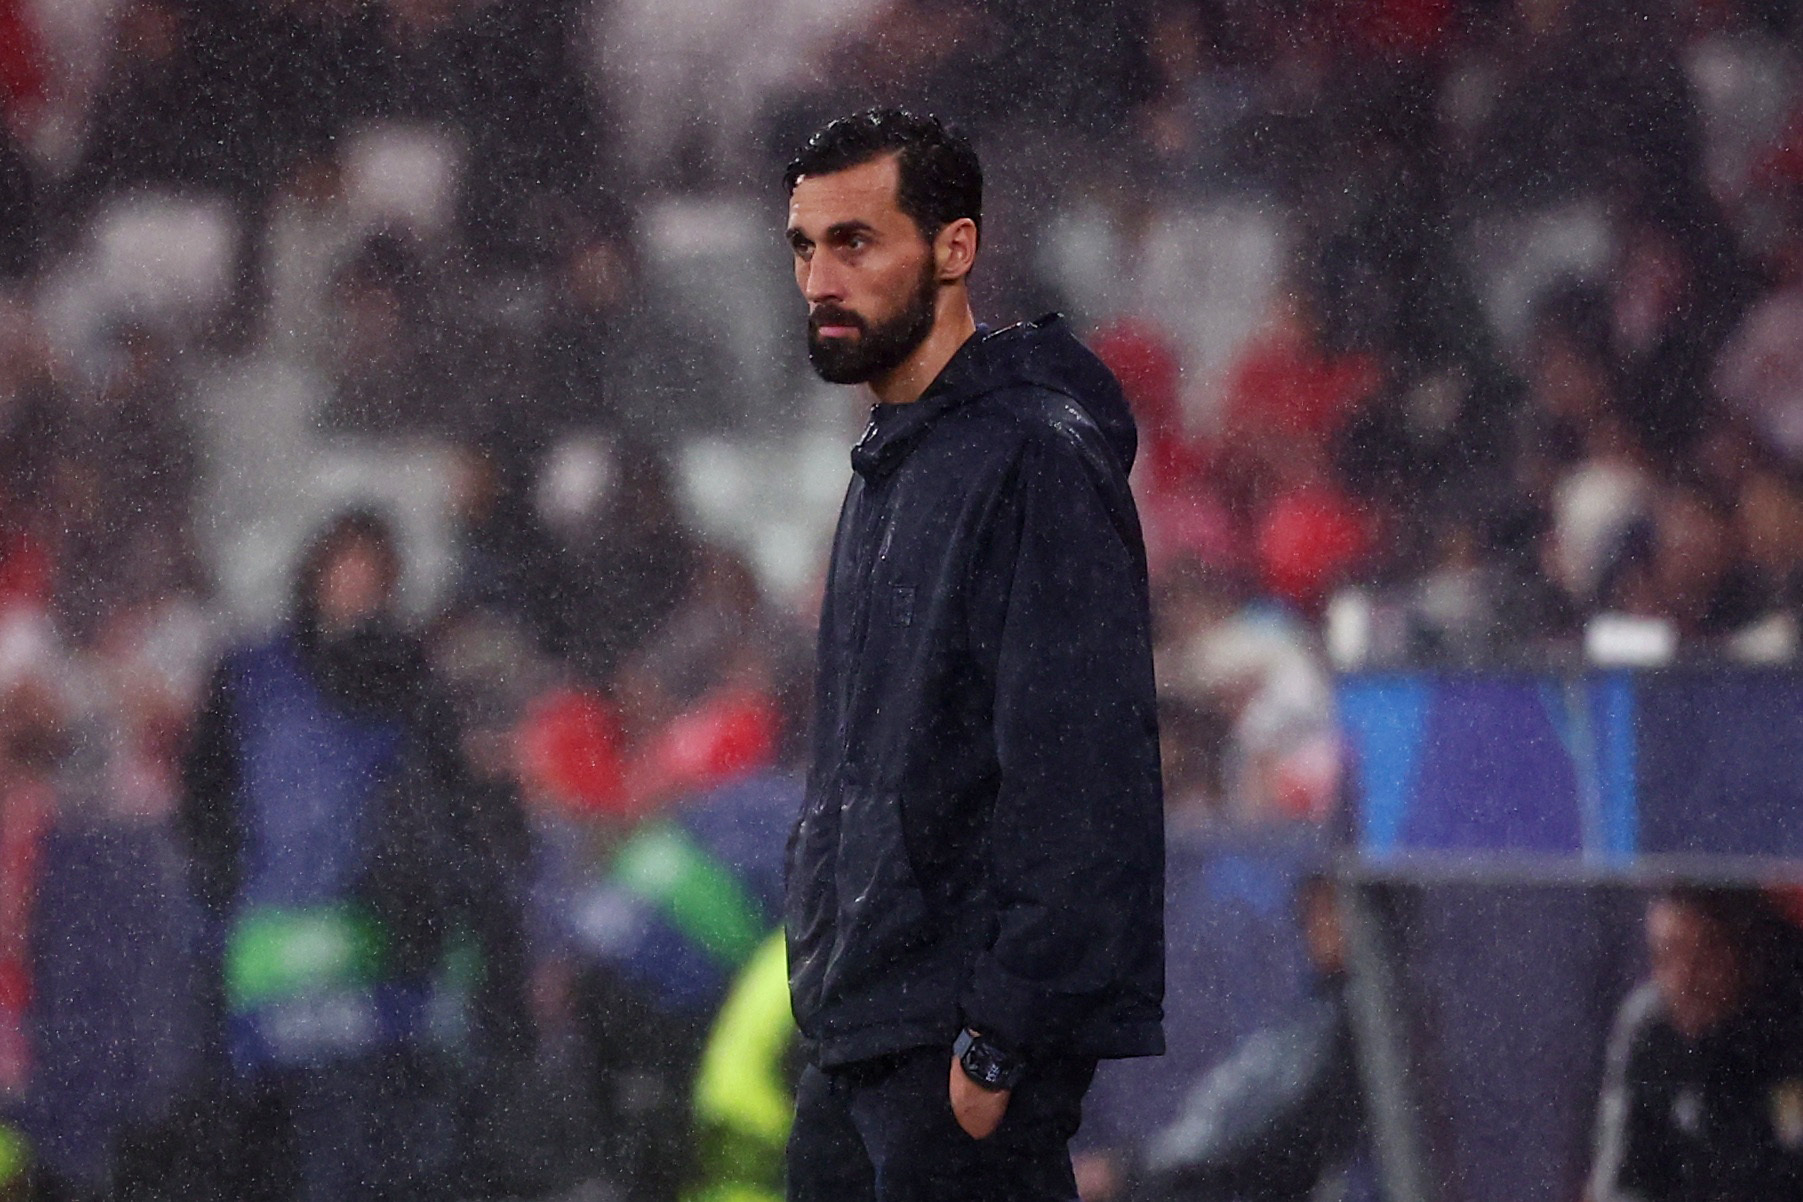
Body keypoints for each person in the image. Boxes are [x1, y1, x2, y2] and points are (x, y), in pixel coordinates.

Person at [779, 109, 1164, 1202]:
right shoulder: (890, 466)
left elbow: (1082, 770)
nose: (819, 277)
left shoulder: (1031, 456)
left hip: (953, 1049)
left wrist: (1001, 1040)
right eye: (804, 245)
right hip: (863, 1031)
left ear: (954, 248)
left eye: (855, 240)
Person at [179, 508, 527, 1202]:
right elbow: (208, 807)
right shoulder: (252, 677)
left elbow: (448, 824)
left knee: (375, 1147)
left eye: (373, 574)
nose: (357, 588)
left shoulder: (414, 682)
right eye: (346, 569)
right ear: (315, 573)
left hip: (383, 960)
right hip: (281, 959)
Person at [1589, 886, 1803, 1202]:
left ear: (1745, 952)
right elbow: (1622, 1180)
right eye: (1666, 955)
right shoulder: (1648, 1029)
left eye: (1703, 955)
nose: (1684, 979)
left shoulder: (1788, 1026)